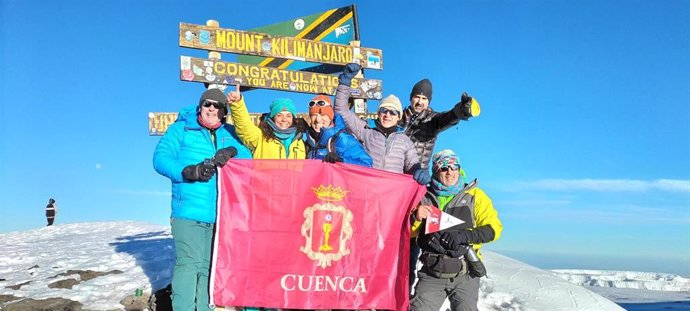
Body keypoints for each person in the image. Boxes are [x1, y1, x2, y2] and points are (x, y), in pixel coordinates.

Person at [153, 88, 252, 311]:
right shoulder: (182, 129)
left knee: (208, 267)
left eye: (217, 106)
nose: (211, 109)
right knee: (189, 265)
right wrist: (188, 171)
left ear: (223, 111)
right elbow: (160, 159)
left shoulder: (229, 132)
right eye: (207, 104)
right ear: (200, 106)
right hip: (188, 211)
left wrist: (232, 150)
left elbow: (249, 156)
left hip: (220, 214)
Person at [401, 78, 480, 292]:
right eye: (417, 96)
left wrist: (460, 111)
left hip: (416, 187)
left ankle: (403, 296)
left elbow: (448, 118)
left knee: (409, 245)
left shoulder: (431, 120)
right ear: (410, 98)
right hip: (394, 188)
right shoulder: (399, 117)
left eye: (424, 98)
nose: (420, 101)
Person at [409, 149, 503, 311]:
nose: (450, 172)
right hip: (432, 272)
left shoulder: (475, 196)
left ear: (459, 169)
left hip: (465, 273)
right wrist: (416, 218)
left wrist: (464, 235)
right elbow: (408, 233)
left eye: (454, 167)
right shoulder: (423, 196)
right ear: (436, 170)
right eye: (444, 168)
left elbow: (494, 229)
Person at [333, 63, 430, 185]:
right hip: (367, 189)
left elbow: (412, 163)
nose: (387, 115)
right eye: (384, 110)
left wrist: (419, 171)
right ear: (378, 113)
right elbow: (341, 111)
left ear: (398, 117)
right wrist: (345, 82)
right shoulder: (366, 131)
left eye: (393, 112)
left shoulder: (405, 141)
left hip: (392, 194)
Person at [227, 84, 306, 159]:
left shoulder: (299, 142)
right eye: (279, 115)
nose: (284, 119)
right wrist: (237, 104)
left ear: (293, 118)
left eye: (289, 115)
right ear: (272, 117)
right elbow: (244, 127)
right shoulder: (260, 137)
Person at [305, 94, 373, 167]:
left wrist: (341, 160)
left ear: (331, 117)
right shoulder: (309, 142)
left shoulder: (343, 138)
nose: (317, 120)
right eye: (314, 115)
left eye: (323, 115)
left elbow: (366, 163)